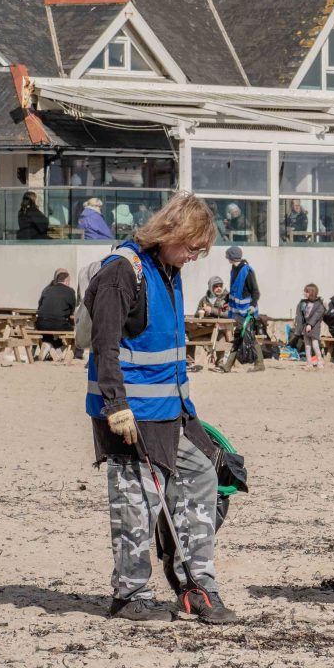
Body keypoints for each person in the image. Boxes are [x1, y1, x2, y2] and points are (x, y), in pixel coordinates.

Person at [82, 191, 236, 623]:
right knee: (137, 502)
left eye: (199, 250)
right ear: (170, 232)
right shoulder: (122, 271)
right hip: (131, 415)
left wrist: (188, 412)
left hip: (171, 411)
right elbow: (105, 345)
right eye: (191, 247)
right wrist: (116, 405)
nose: (193, 257)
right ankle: (130, 594)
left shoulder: (169, 270)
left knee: (202, 475)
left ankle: (197, 584)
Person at [216, 246, 262, 373]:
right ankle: (229, 366)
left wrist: (252, 305)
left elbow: (255, 292)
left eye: (228, 257)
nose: (227, 259)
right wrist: (226, 301)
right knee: (242, 336)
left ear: (231, 257)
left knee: (246, 336)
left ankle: (257, 364)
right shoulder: (234, 269)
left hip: (247, 312)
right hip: (237, 311)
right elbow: (234, 290)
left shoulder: (247, 271)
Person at [35, 269, 77, 361]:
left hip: (41, 324)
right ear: (66, 281)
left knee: (50, 328)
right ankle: (58, 349)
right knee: (73, 331)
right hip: (59, 324)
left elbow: (40, 306)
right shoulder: (70, 291)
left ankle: (48, 344)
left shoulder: (47, 289)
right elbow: (72, 310)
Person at [295, 283, 325, 368]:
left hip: (314, 327)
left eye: (306, 291)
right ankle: (309, 362)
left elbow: (317, 315)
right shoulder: (303, 303)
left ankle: (320, 361)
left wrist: (310, 324)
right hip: (305, 327)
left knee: (315, 345)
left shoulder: (319, 304)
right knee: (307, 346)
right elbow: (300, 315)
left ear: (312, 292)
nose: (304, 293)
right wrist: (299, 327)